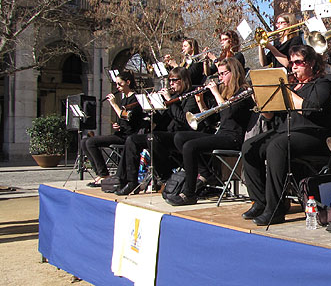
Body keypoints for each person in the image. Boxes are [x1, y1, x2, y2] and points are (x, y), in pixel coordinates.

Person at [242, 44, 331, 226]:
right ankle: (260, 201)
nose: (293, 66)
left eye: (298, 62)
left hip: (313, 134)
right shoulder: (292, 86)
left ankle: (275, 209)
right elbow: (271, 117)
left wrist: (285, 91)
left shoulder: (322, 84)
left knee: (277, 146)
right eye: (292, 63)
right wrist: (262, 102)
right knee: (249, 147)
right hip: (285, 132)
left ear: (311, 63)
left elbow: (311, 110)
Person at [167, 57, 253, 206]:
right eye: (219, 74)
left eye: (223, 73)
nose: (220, 78)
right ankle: (206, 173)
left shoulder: (243, 91)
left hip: (234, 137)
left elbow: (229, 112)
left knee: (190, 146)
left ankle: (189, 193)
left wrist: (215, 93)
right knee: (179, 137)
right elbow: (212, 120)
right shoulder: (225, 92)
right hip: (221, 133)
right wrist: (201, 103)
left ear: (234, 73)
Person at [114, 67, 200, 195]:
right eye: (170, 81)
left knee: (152, 138)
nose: (171, 84)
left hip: (181, 135)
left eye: (174, 80)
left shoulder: (191, 96)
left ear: (184, 80)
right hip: (165, 134)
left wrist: (169, 100)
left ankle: (165, 177)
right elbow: (159, 120)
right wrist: (153, 106)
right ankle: (131, 181)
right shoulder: (172, 96)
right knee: (132, 140)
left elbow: (183, 120)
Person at [82, 71, 145, 187]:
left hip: (129, 136)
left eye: (119, 84)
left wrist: (113, 104)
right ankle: (99, 173)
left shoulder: (135, 99)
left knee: (91, 142)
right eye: (116, 84)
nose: (117, 87)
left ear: (128, 82)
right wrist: (117, 125)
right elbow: (122, 120)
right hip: (121, 133)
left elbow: (126, 116)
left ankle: (104, 175)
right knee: (84, 142)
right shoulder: (124, 99)